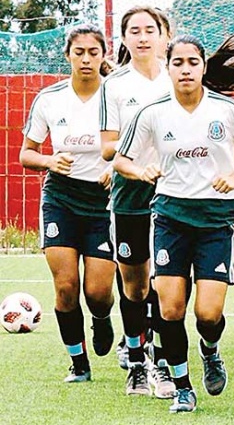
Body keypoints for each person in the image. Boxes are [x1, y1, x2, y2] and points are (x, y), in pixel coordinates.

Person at [114, 34, 234, 413]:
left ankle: (211, 350)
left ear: (203, 67)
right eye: (178, 62)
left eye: (192, 62)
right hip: (169, 215)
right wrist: (141, 169)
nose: (185, 69)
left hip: (216, 219)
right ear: (167, 68)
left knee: (208, 314)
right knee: (170, 309)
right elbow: (120, 160)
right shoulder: (151, 113)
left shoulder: (225, 109)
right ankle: (183, 386)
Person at [19, 23, 116, 383]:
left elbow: (138, 143)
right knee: (65, 287)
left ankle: (103, 319)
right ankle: (78, 363)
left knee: (98, 292)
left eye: (94, 52)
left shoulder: (117, 96)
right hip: (60, 196)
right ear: (68, 56)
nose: (87, 59)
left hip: (104, 200)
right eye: (80, 52)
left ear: (104, 55)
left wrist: (116, 169)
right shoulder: (49, 99)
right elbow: (26, 153)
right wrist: (49, 160)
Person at [99, 5, 174, 397]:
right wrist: (137, 156)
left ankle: (162, 364)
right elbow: (108, 146)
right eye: (134, 31)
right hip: (131, 191)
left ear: (164, 35)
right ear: (124, 39)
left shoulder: (176, 78)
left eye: (150, 30)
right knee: (135, 286)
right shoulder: (115, 86)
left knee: (167, 280)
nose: (143, 37)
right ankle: (136, 360)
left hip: (174, 191)